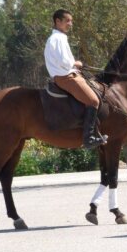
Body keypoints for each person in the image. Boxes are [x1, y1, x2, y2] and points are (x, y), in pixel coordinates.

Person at [44, 9, 106, 149]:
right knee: (93, 100)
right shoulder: (58, 38)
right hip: (66, 77)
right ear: (57, 21)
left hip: (67, 74)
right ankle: (88, 138)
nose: (70, 24)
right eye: (67, 21)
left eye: (71, 21)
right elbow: (65, 62)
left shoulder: (57, 38)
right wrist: (76, 63)